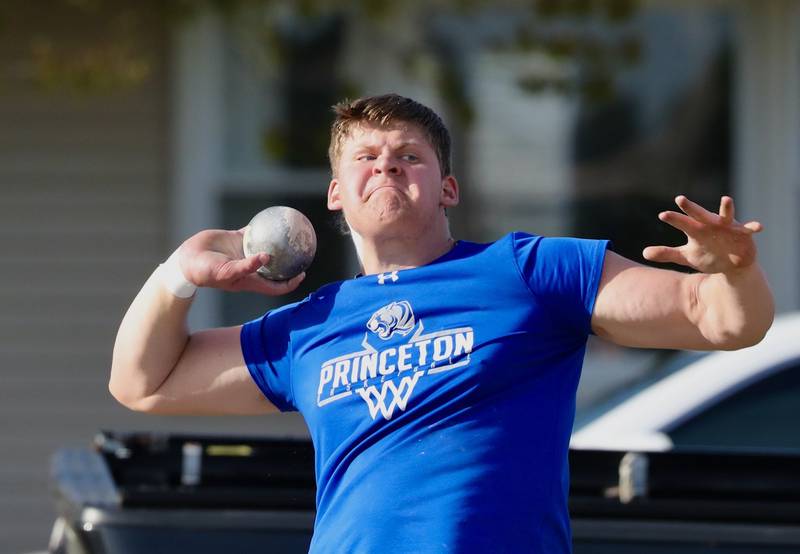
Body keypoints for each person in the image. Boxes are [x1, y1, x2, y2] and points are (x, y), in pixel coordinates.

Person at [110, 93, 774, 553]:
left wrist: (735, 270)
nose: (386, 164)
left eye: (409, 155)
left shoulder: (531, 272)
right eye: (365, 157)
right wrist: (178, 274)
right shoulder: (312, 325)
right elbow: (143, 383)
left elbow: (719, 320)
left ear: (447, 189)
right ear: (336, 193)